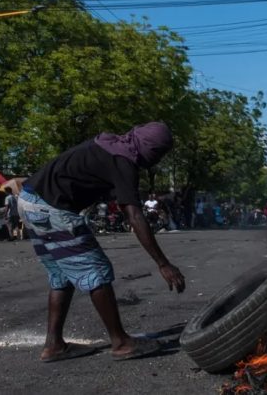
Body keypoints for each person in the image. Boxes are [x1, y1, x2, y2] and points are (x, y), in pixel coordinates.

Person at [19, 121, 185, 363]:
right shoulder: (123, 160)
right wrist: (163, 263)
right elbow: (134, 215)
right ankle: (120, 342)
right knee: (96, 269)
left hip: (28, 200)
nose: (156, 160)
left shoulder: (110, 145)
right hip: (52, 208)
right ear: (149, 147)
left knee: (63, 276)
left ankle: (54, 345)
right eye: (158, 153)